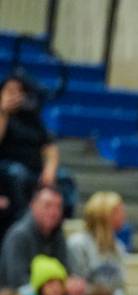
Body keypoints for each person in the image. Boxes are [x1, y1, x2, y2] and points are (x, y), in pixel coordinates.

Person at [0, 76, 76, 219]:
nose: (15, 95)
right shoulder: (3, 116)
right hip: (8, 167)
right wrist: (3, 111)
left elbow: (50, 147)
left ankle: (62, 221)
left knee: (65, 179)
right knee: (17, 174)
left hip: (35, 168)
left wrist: (49, 171)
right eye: (10, 91)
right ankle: (25, 221)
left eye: (19, 91)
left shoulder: (32, 117)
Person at [0, 185, 85, 295]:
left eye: (58, 207)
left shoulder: (57, 235)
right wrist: (50, 288)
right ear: (33, 205)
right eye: (47, 205)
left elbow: (65, 271)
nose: (53, 212)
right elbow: (18, 283)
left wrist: (73, 283)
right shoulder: (19, 236)